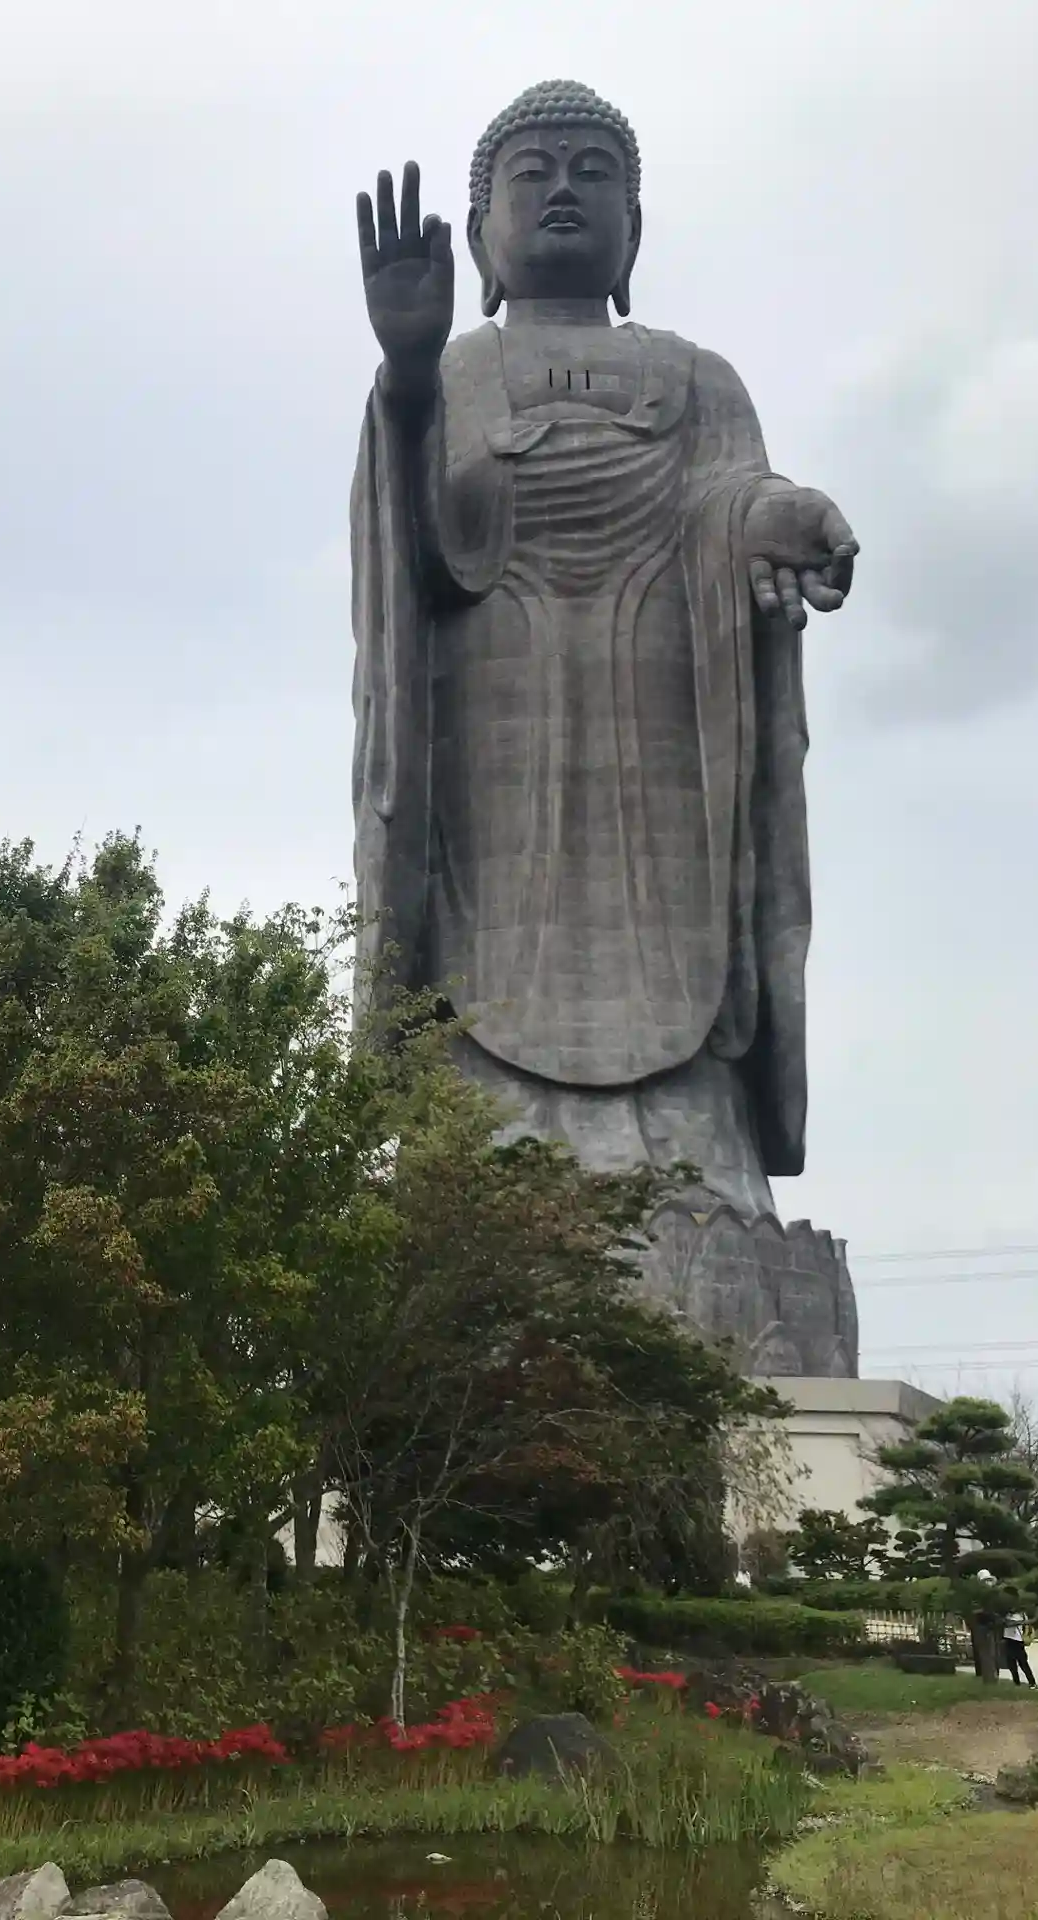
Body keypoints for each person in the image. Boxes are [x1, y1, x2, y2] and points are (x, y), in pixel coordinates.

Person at [350, 80, 858, 1218]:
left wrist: (779, 517)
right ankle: (480, 1142)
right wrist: (410, 377)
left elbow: (732, 499)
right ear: (478, 236)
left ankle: (697, 1152)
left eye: (594, 173)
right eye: (532, 175)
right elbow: (419, 555)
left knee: (678, 916)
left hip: (666, 717)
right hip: (494, 723)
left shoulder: (697, 378)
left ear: (635, 227)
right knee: (482, 934)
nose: (564, 192)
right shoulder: (456, 371)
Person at [1001, 1608, 1036, 1687]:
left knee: (1022, 1664)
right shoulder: (1011, 1614)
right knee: (1012, 1664)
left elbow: (1009, 1624)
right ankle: (1017, 1682)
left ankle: (1031, 1683)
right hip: (1010, 1639)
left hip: (1016, 1641)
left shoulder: (1018, 1615)